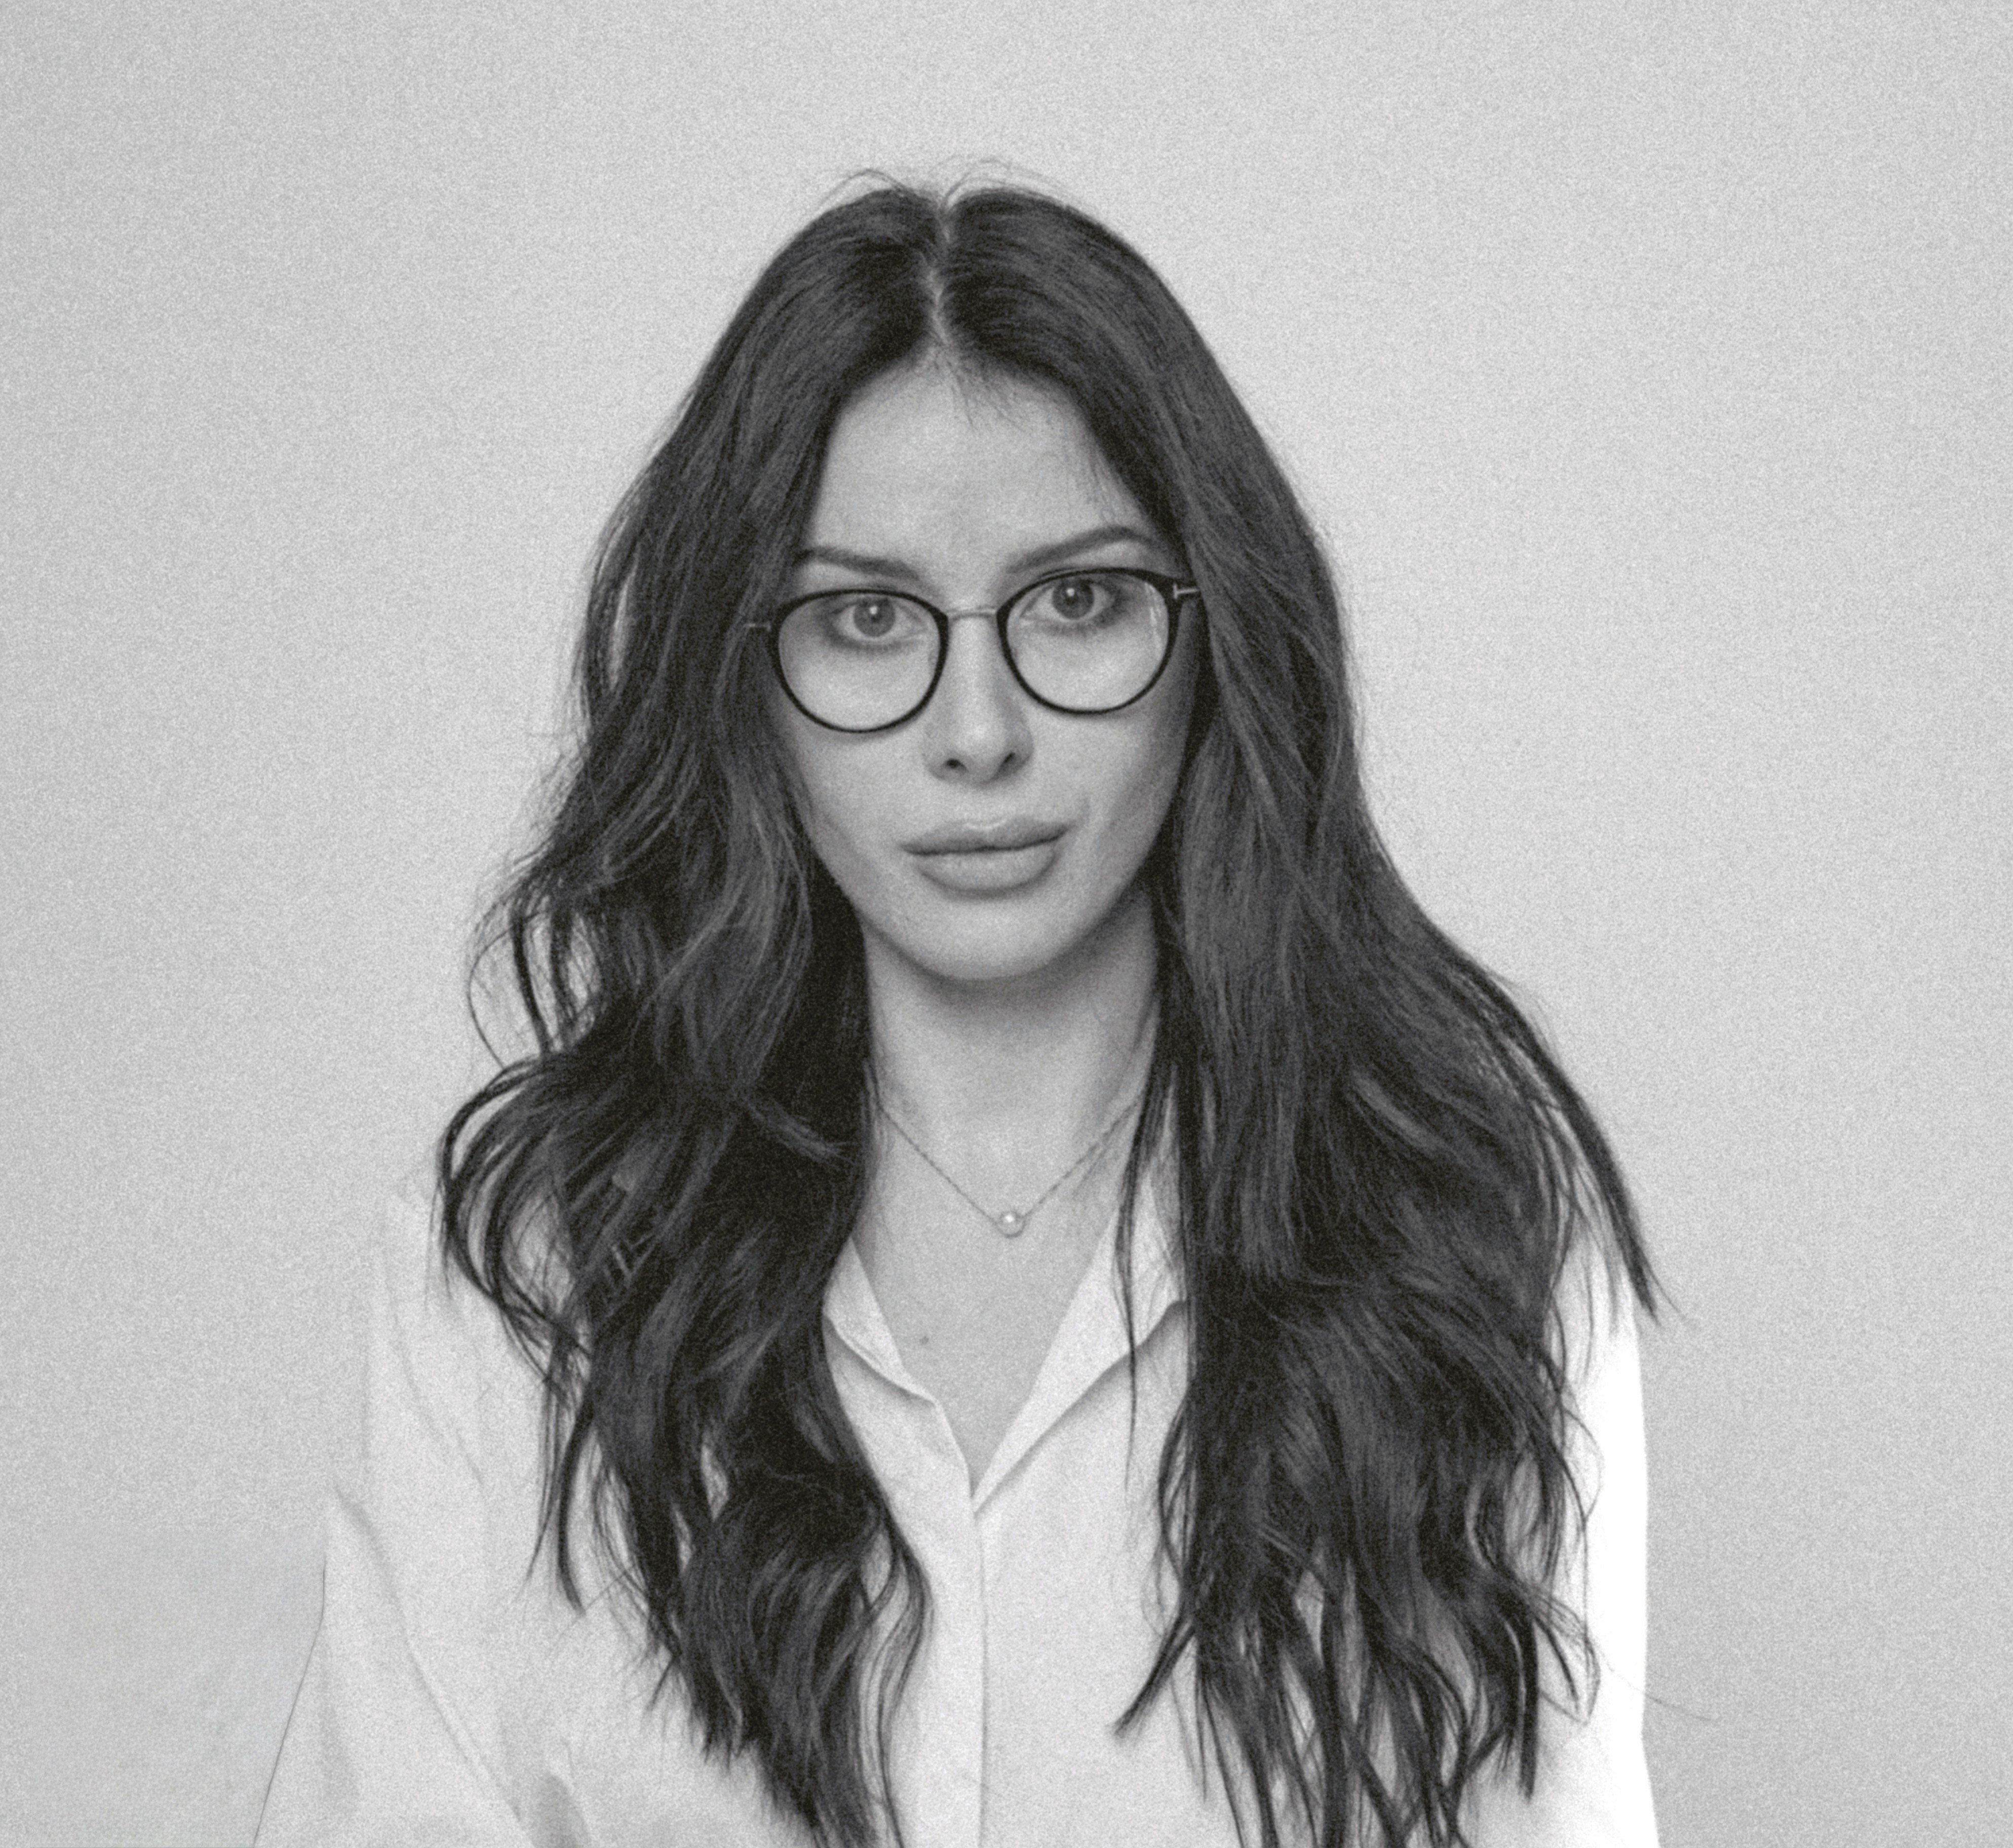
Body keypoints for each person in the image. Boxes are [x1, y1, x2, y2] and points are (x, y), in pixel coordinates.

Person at [258, 179, 1660, 1847]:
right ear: (743, 677)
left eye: (1076, 602)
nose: (977, 732)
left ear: (1215, 636)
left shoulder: (1465, 1232)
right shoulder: (524, 1272)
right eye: (867, 620)